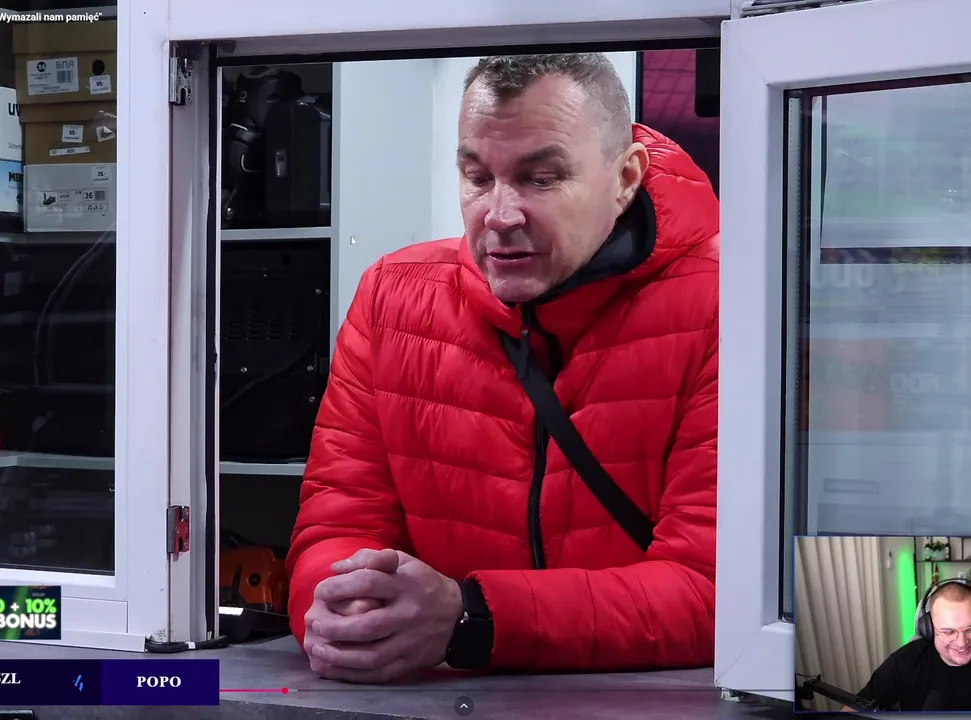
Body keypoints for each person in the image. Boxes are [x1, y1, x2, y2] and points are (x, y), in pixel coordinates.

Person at [285, 53, 719, 683]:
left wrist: (474, 618)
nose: (500, 214)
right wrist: (342, 611)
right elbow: (338, 525)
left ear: (626, 177)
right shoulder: (392, 299)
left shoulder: (728, 305)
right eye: (477, 177)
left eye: (541, 179)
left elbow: (714, 590)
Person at [845, 579, 971, 712]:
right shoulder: (904, 662)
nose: (961, 642)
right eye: (948, 631)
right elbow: (855, 709)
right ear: (928, 628)